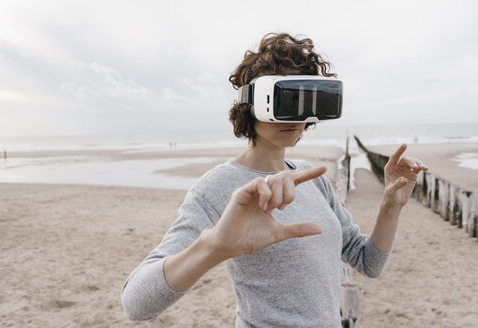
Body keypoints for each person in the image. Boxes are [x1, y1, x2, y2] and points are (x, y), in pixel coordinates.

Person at [121, 33, 428, 327]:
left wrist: (391, 206)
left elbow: (368, 262)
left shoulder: (311, 177)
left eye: (305, 101)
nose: (296, 117)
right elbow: (136, 304)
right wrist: (214, 247)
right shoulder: (220, 187)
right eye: (285, 99)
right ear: (250, 104)